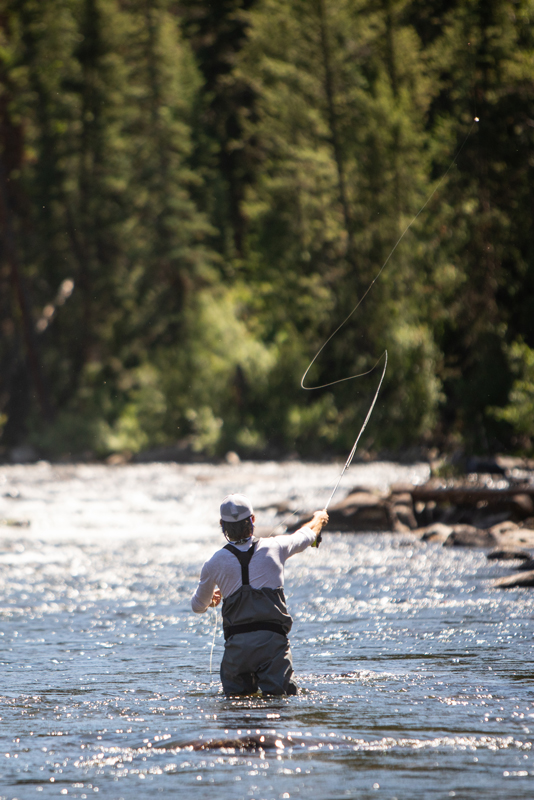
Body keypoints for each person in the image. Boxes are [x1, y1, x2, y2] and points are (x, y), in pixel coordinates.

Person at [191, 493, 328, 696]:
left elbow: (197, 606)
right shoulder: (276, 546)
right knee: (279, 703)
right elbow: (308, 535)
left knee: (236, 709)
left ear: (222, 525)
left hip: (237, 652)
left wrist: (211, 601)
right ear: (253, 520)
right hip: (273, 648)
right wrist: (319, 518)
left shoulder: (213, 562)